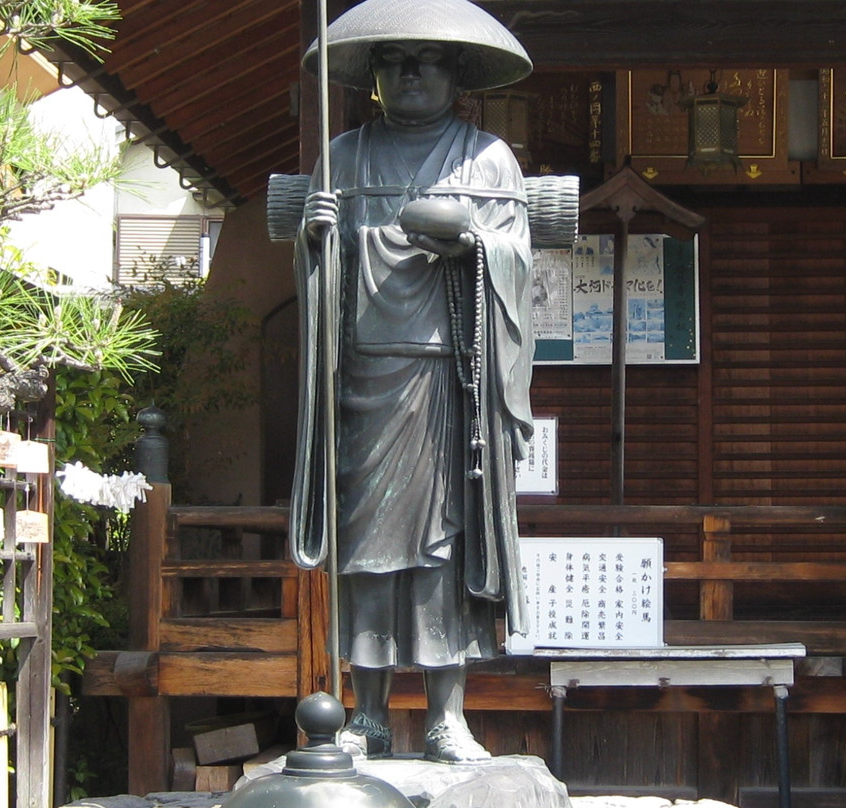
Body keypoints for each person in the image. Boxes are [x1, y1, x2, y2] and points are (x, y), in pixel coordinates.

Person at [288, 0, 534, 764]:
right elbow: (312, 271)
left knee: (442, 553)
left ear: (459, 74)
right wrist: (317, 238)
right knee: (366, 553)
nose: (412, 73)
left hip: (449, 381)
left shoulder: (487, 158)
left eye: (428, 60)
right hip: (363, 373)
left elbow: (520, 261)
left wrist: (473, 242)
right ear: (373, 79)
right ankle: (363, 715)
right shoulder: (346, 156)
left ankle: (444, 717)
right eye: (395, 62)